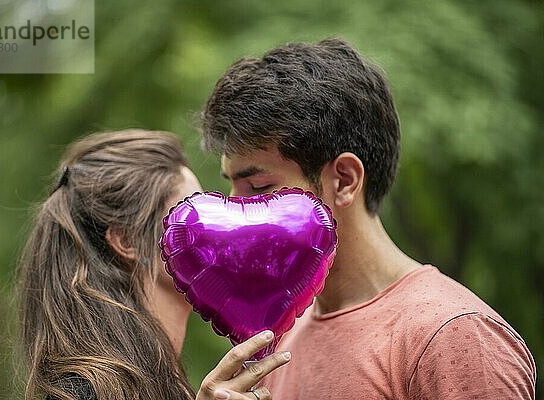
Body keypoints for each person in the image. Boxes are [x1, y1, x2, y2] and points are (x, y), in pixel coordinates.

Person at [201, 38, 536, 399]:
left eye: (257, 187)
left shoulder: (454, 337)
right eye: (231, 189)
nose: (234, 213)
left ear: (344, 180)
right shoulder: (277, 336)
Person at [17, 129, 291, 400]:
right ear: (127, 241)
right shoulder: (83, 393)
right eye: (193, 215)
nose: (217, 229)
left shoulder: (162, 382)